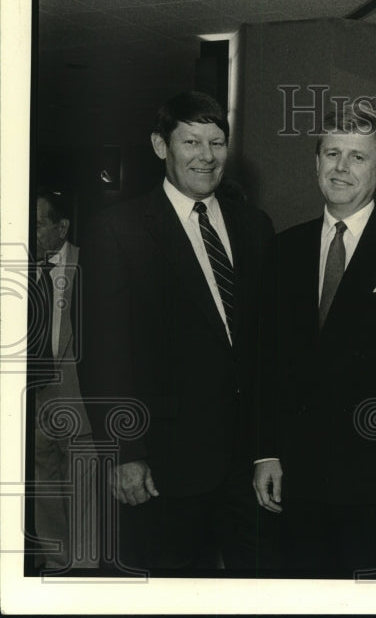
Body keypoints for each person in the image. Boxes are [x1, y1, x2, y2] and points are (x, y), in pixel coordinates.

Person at [78, 91, 274, 571]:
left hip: (248, 466)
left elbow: (268, 347)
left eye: (217, 142)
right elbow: (103, 354)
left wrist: (270, 449)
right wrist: (125, 452)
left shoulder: (256, 226)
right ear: (160, 145)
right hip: (163, 466)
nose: (206, 156)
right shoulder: (117, 230)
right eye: (190, 141)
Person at [252, 103, 376, 576]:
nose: (340, 168)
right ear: (316, 161)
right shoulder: (284, 249)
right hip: (298, 473)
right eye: (331, 154)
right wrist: (265, 451)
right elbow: (266, 360)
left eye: (357, 157)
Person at [29, 192, 98, 570]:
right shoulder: (20, 267)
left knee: (86, 492)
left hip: (80, 401)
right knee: (44, 492)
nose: (31, 231)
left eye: (39, 223)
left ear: (62, 226)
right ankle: (56, 567)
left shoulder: (91, 264)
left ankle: (86, 576)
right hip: (35, 402)